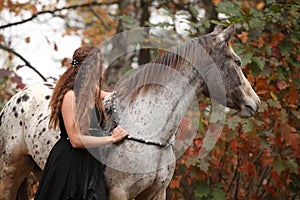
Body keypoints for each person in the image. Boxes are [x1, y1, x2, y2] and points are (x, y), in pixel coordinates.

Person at [35, 45, 128, 200]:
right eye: (100, 63)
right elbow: (75, 140)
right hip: (69, 164)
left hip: (90, 162)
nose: (103, 67)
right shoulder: (69, 96)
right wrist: (111, 139)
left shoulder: (93, 91)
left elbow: (115, 97)